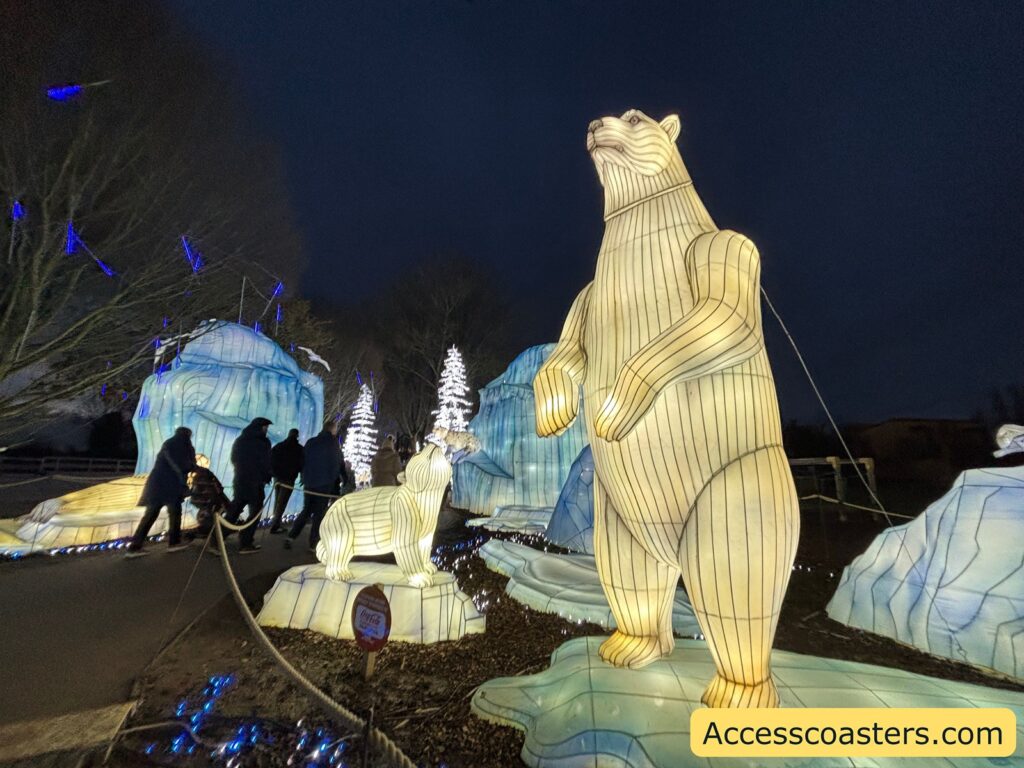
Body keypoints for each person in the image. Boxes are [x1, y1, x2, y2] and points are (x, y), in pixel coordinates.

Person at [126, 426, 196, 557]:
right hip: (171, 486)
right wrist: (193, 467)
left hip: (156, 485)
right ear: (187, 435)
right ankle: (174, 543)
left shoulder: (168, 443)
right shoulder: (185, 446)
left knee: (149, 516)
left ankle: (135, 547)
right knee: (175, 514)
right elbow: (184, 465)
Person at [285, 420, 342, 551]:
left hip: (310, 482)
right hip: (324, 484)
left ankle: (291, 536)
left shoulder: (311, 442)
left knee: (306, 510)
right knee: (319, 513)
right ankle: (314, 542)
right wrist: (335, 481)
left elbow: (302, 460)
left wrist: (305, 476)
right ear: (332, 429)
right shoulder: (333, 444)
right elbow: (337, 463)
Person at [221, 416, 273, 554]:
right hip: (255, 482)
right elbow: (265, 462)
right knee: (255, 513)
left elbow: (234, 459)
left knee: (234, 510)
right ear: (261, 428)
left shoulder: (241, 440)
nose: (266, 430)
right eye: (266, 428)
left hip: (240, 480)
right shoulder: (263, 442)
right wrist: (267, 475)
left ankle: (218, 538)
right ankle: (245, 541)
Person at [185, 454, 230, 542]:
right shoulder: (204, 473)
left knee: (210, 521)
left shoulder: (199, 474)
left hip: (210, 502)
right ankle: (206, 537)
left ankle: (197, 534)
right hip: (211, 502)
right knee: (209, 522)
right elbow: (216, 487)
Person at [269, 428, 304, 533]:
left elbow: (271, 458)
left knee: (278, 501)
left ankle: (276, 522)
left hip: (278, 477)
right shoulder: (299, 449)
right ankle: (275, 525)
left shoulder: (279, 446)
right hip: (289, 478)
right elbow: (302, 464)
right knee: (282, 502)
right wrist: (302, 475)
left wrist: (273, 472)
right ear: (297, 436)